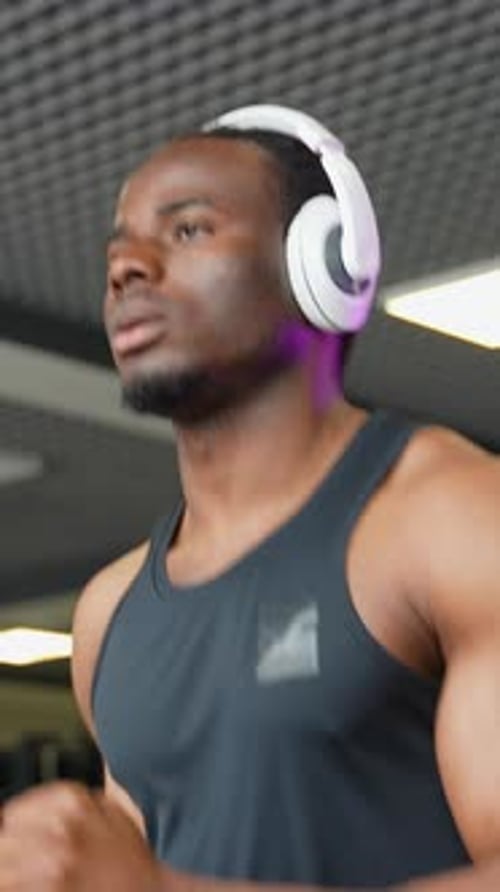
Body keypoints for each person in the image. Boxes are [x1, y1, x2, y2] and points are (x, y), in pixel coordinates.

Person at [1, 105, 499, 892]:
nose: (127, 265)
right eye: (119, 246)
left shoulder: (449, 519)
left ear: (322, 263)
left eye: (188, 229)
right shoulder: (111, 611)